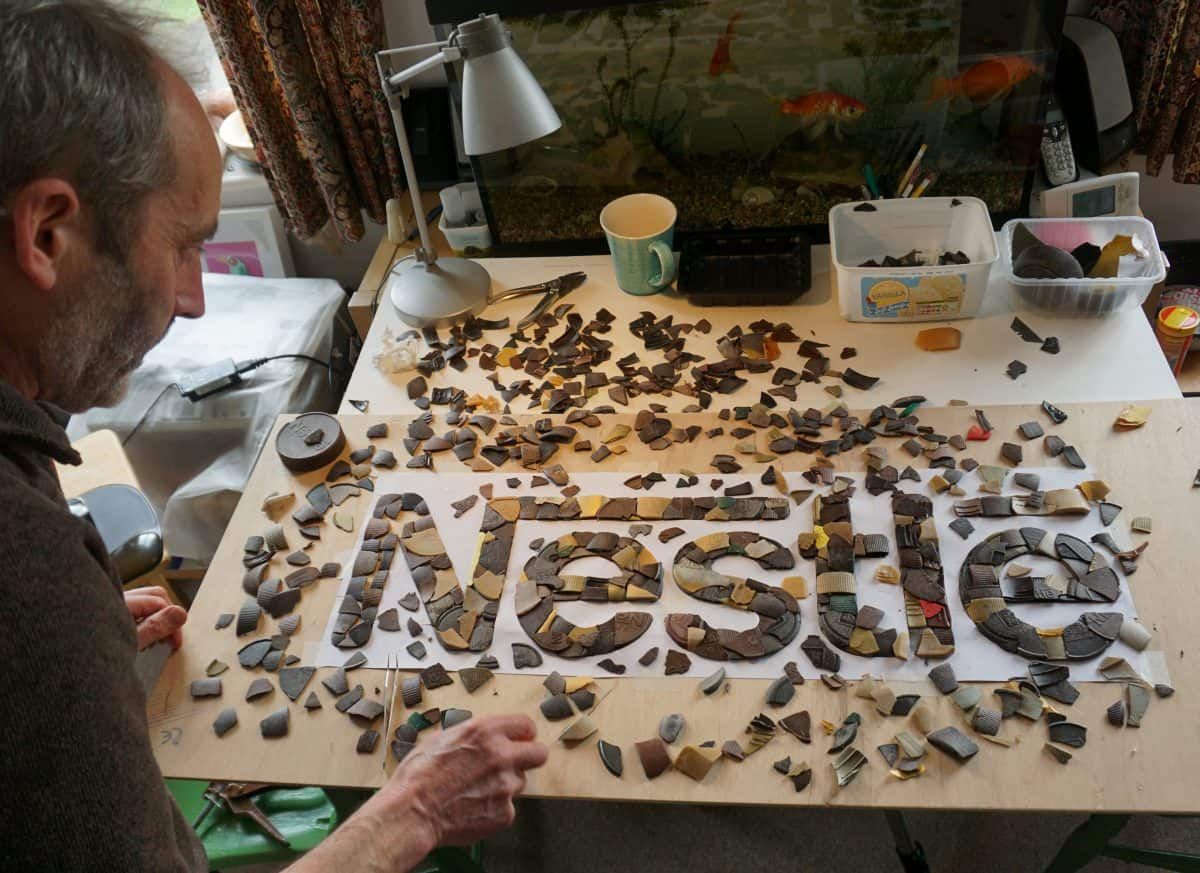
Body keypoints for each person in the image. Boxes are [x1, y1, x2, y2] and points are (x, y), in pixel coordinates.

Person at [0, 2, 546, 869]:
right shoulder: (29, 585)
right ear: (47, 233)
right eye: (184, 246)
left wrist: (70, 649)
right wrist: (411, 812)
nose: (193, 297)